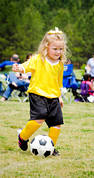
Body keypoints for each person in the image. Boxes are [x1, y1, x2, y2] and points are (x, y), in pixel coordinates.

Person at [12, 27, 67, 156]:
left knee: (56, 123)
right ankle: (23, 137)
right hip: (37, 93)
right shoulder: (38, 59)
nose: (58, 52)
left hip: (53, 96)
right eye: (55, 49)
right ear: (46, 47)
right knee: (39, 118)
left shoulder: (60, 64)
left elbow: (58, 83)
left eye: (60, 49)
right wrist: (18, 68)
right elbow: (25, 66)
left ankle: (51, 147)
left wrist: (59, 96)